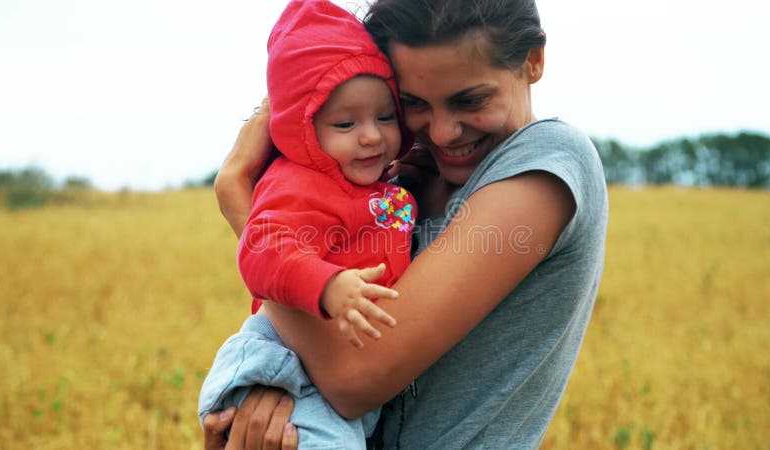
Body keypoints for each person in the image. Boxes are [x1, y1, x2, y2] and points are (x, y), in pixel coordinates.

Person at [204, 0, 609, 448]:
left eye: (470, 100)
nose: (441, 132)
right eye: (413, 104)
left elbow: (354, 377)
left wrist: (246, 209)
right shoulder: (400, 182)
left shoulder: (550, 158)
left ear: (533, 60)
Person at [197, 0, 417, 448]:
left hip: (331, 363)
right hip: (286, 367)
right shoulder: (297, 182)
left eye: (385, 116)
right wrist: (328, 286)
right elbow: (262, 247)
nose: (371, 135)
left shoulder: (380, 186)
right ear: (302, 129)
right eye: (344, 122)